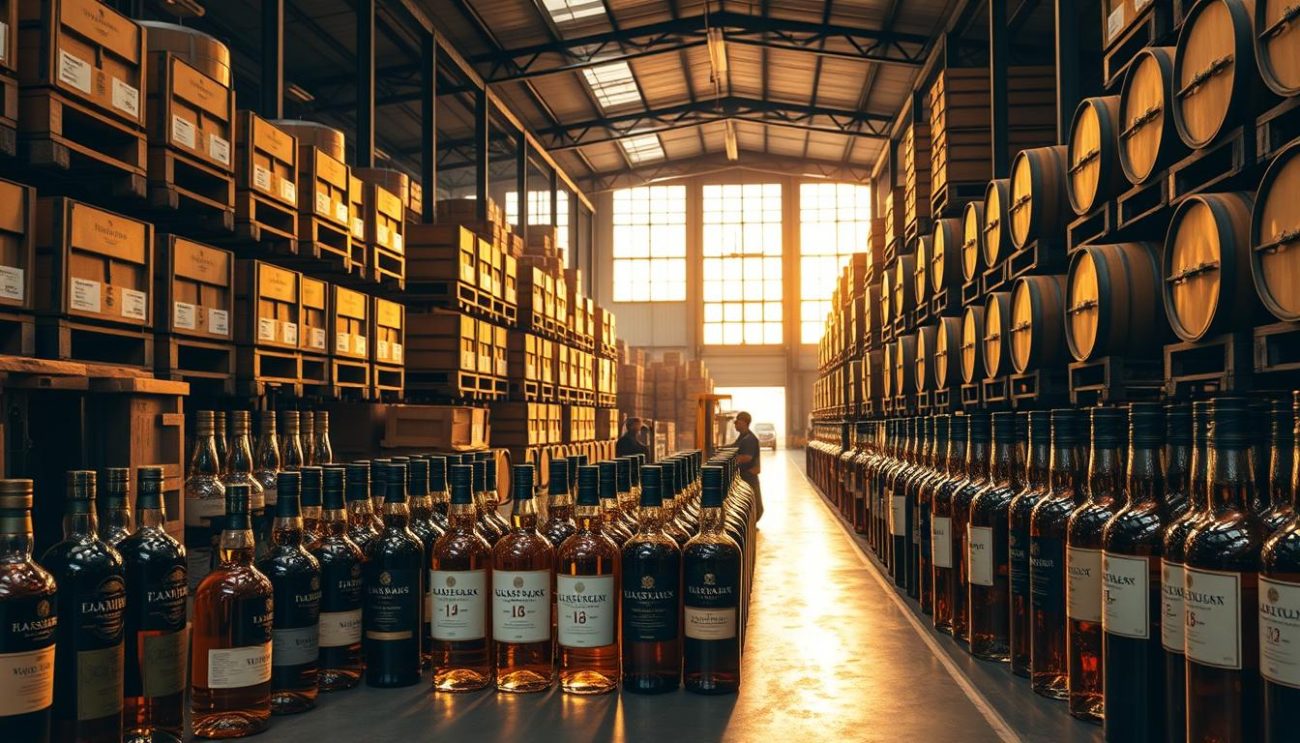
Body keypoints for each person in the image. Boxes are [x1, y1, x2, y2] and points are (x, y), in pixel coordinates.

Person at [732, 411, 764, 522]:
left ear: (744, 423)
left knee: (754, 504)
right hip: (744, 475)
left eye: (737, 422)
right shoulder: (742, 437)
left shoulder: (749, 439)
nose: (735, 424)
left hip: (748, 476)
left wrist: (731, 460)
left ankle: (751, 521)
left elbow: (747, 457)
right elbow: (734, 448)